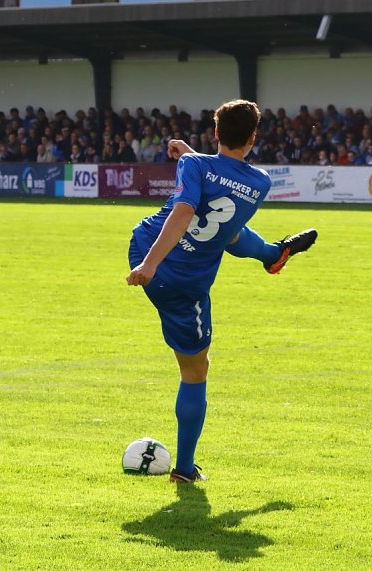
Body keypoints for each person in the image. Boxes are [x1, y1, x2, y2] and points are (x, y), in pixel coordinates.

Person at [126, 99, 318, 483]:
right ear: (252, 138)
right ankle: (183, 469)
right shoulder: (260, 182)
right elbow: (206, 200)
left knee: (225, 230)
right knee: (195, 371)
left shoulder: (193, 164)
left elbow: (199, 196)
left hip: (143, 246)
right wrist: (151, 265)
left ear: (215, 132)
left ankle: (273, 255)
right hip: (181, 283)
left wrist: (147, 261)